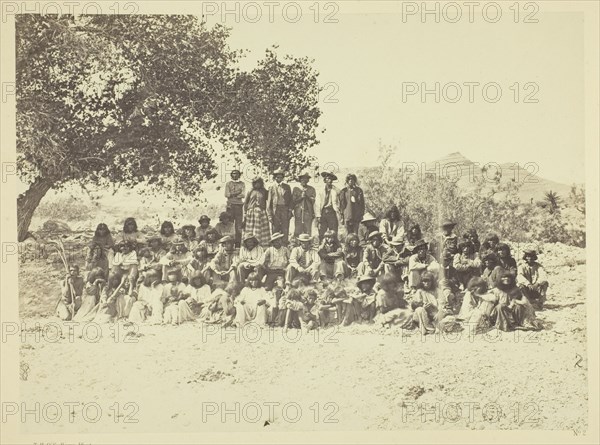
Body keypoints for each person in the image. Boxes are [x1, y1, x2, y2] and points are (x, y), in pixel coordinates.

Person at [267, 168, 293, 245]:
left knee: (285, 227)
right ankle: (275, 244)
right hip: (276, 209)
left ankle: (284, 244)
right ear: (275, 178)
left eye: (281, 177)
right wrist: (269, 215)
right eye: (277, 177)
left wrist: (290, 210)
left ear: (283, 178)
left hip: (284, 208)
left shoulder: (287, 187)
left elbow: (290, 200)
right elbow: (269, 202)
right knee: (275, 227)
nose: (279, 179)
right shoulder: (271, 187)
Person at [242, 176, 271, 247]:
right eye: (255, 183)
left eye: (259, 183)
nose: (257, 184)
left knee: (261, 231)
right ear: (253, 184)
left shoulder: (264, 191)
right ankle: (250, 245)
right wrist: (245, 213)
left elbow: (270, 200)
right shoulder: (250, 191)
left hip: (261, 213)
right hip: (251, 213)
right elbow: (245, 203)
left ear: (261, 183)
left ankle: (262, 246)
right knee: (250, 231)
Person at [314, 170, 340, 239]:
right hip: (323, 213)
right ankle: (322, 247)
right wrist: (318, 215)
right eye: (328, 178)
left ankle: (334, 247)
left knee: (333, 231)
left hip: (332, 212)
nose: (329, 180)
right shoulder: (320, 190)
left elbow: (338, 202)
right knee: (322, 232)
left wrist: (338, 210)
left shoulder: (336, 190)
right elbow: (318, 204)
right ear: (325, 180)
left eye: (331, 179)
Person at [225, 169, 246, 245]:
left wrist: (232, 194)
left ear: (239, 175)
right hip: (230, 205)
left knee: (238, 226)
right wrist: (237, 193)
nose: (235, 175)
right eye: (233, 174)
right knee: (230, 224)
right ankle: (229, 243)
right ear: (231, 175)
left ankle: (238, 244)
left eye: (237, 174)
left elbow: (243, 195)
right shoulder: (228, 184)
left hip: (239, 206)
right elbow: (227, 194)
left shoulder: (242, 184)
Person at [292, 172, 316, 237]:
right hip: (298, 213)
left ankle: (307, 245)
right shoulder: (296, 189)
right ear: (300, 180)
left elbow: (313, 201)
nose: (304, 181)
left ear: (308, 180)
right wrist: (301, 197)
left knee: (307, 230)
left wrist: (307, 196)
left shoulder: (311, 189)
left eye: (306, 179)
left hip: (308, 212)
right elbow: (293, 201)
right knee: (298, 230)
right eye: (302, 179)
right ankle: (297, 245)